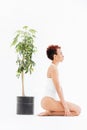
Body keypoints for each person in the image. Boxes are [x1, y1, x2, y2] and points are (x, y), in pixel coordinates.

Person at [39, 44, 81, 116]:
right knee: (77, 110)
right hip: (48, 101)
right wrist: (65, 107)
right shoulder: (53, 68)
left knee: (77, 111)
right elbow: (58, 89)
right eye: (60, 53)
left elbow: (59, 88)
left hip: (49, 100)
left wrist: (65, 107)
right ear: (55, 56)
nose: (63, 55)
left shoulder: (54, 67)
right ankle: (49, 113)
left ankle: (49, 113)